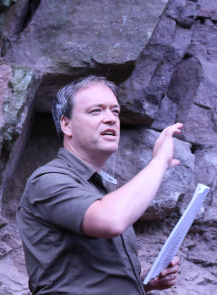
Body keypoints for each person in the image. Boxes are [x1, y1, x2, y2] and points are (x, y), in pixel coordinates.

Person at [16, 76, 181, 294]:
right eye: (96, 111)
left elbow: (88, 280)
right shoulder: (48, 180)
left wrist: (145, 282)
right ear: (66, 124)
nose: (111, 119)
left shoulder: (101, 192)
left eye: (115, 111)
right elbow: (110, 221)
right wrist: (159, 161)